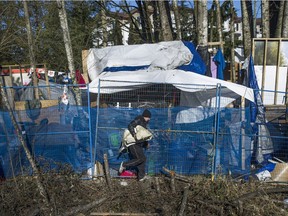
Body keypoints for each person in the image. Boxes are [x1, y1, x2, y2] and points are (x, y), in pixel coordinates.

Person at [119, 109, 152, 181]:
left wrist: (146, 144)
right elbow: (130, 125)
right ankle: (124, 164)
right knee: (140, 158)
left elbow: (142, 135)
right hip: (133, 143)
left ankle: (141, 177)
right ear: (145, 116)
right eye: (148, 117)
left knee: (143, 158)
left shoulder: (144, 123)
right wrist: (134, 135)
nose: (149, 119)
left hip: (138, 144)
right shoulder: (139, 119)